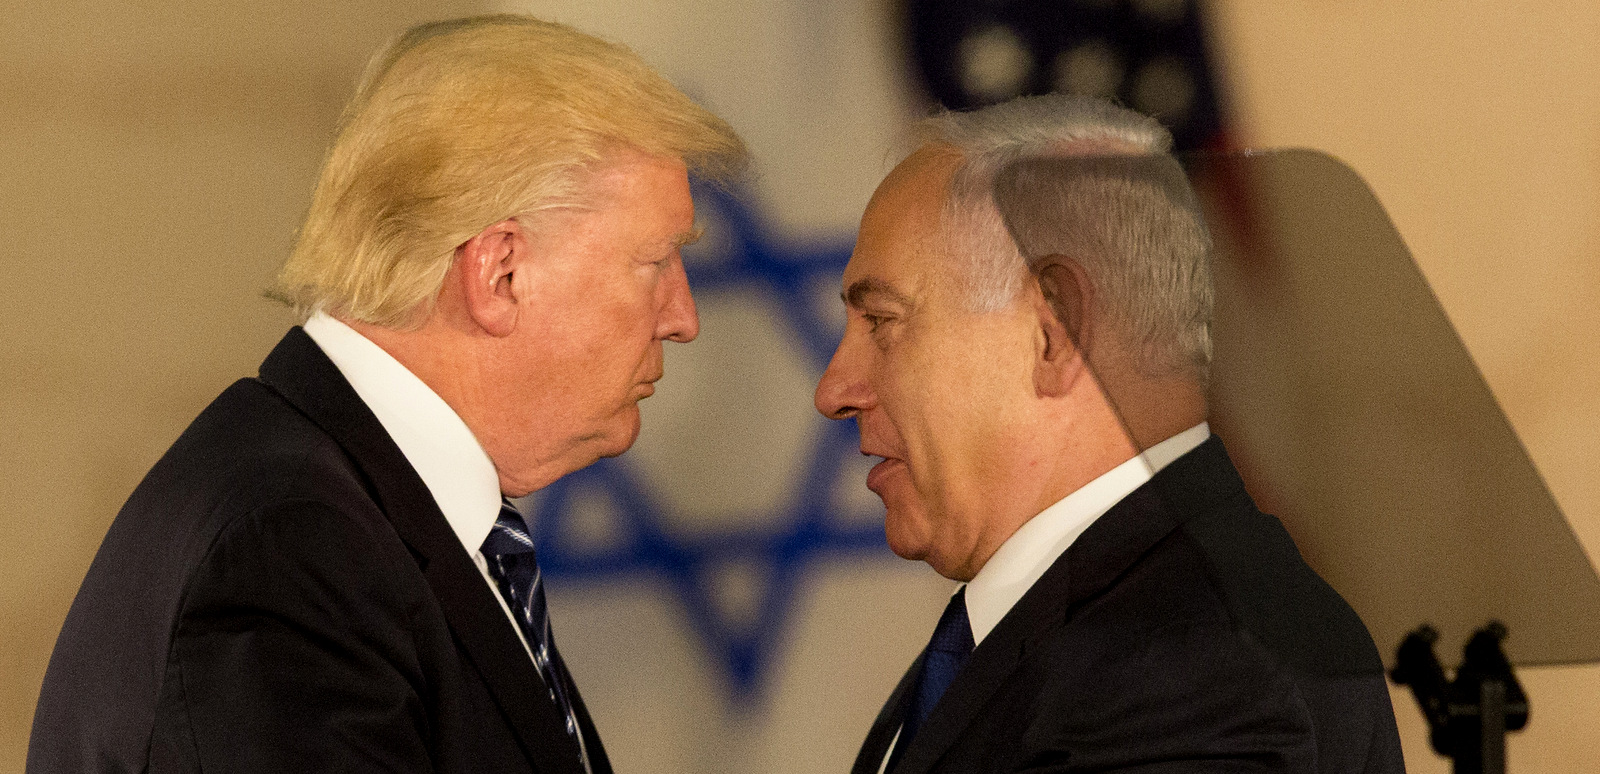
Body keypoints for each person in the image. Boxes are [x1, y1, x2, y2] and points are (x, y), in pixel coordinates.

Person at [28, 15, 745, 774]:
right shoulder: (292, 554)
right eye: (656, 262)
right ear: (500, 272)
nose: (684, 318)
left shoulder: (350, 518)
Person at [815, 94, 1404, 774]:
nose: (835, 390)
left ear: (1054, 332)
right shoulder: (1084, 632)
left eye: (883, 322)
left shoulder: (1191, 663)